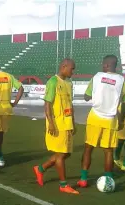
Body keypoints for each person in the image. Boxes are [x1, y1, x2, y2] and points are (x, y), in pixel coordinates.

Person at [77, 55, 125, 188]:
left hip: (95, 117)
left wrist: (94, 94)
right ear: (115, 66)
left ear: (106, 65)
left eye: (103, 64)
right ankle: (108, 179)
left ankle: (83, 179)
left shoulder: (96, 77)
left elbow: (86, 97)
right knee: (108, 151)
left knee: (88, 148)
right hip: (110, 119)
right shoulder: (122, 81)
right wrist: (121, 120)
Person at [33, 58, 79, 194]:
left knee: (67, 153)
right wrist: (51, 124)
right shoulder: (53, 82)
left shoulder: (69, 83)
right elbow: (47, 104)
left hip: (68, 122)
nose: (73, 71)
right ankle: (63, 185)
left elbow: (70, 104)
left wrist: (73, 122)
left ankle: (40, 169)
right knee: (61, 154)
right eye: (72, 68)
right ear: (64, 67)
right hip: (58, 123)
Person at [0, 63, 24, 167]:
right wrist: (14, 103)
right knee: (0, 134)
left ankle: (0, 156)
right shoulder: (9, 76)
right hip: (7, 109)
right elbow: (21, 88)